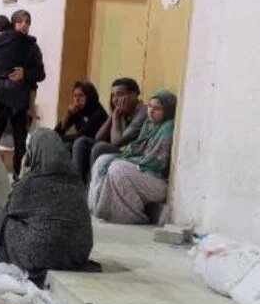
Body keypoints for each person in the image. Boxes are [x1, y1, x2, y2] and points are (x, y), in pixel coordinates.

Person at [0, 129, 93, 274]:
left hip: (43, 255)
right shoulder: (76, 181)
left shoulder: (32, 182)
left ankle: (7, 257)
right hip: (77, 255)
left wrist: (22, 175)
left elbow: (8, 210)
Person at [89, 90, 177, 224]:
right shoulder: (149, 125)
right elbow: (136, 150)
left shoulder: (167, 128)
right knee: (103, 161)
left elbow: (157, 162)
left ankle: (129, 215)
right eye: (150, 106)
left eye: (157, 108)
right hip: (144, 171)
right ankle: (97, 208)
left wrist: (126, 161)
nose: (151, 111)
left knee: (118, 168)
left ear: (167, 111)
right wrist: (122, 158)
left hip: (158, 180)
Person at [0, 9, 45, 179]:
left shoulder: (32, 47)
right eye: (19, 21)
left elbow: (40, 74)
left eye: (27, 22)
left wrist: (24, 73)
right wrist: (7, 73)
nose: (24, 25)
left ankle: (18, 178)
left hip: (21, 101)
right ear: (12, 24)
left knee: (20, 142)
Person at [71, 77, 147, 184]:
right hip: (123, 149)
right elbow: (98, 137)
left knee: (100, 147)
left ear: (134, 95)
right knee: (81, 142)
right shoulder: (122, 110)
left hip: (133, 154)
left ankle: (93, 187)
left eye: (120, 94)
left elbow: (117, 141)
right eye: (113, 95)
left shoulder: (142, 111)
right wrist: (112, 116)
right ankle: (76, 184)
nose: (115, 100)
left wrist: (115, 115)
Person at [55, 80, 109, 148]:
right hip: (82, 142)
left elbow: (82, 135)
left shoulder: (98, 113)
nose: (77, 100)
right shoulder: (77, 110)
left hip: (98, 145)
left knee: (72, 144)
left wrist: (60, 139)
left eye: (81, 95)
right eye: (75, 96)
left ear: (89, 97)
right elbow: (57, 131)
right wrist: (68, 114)